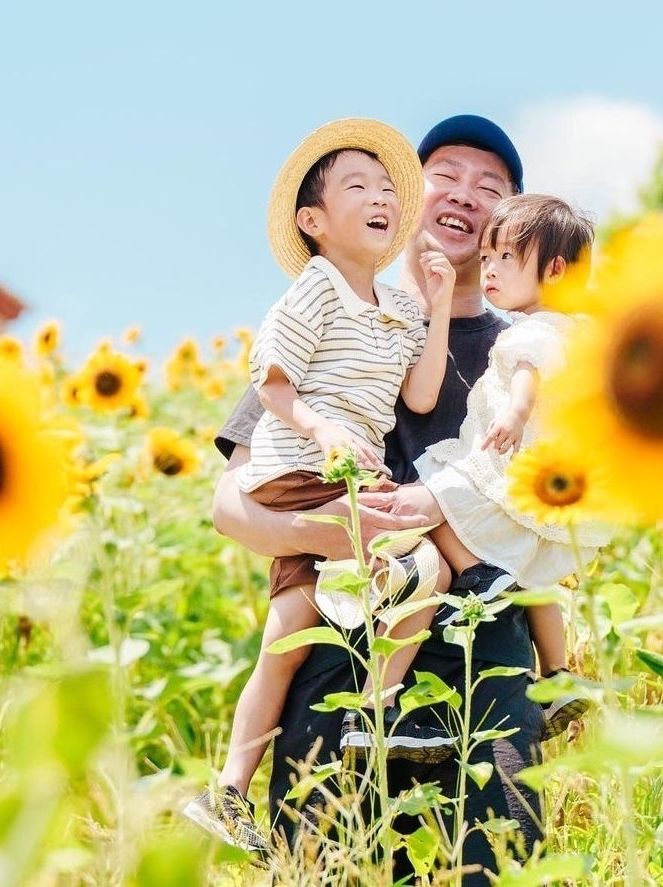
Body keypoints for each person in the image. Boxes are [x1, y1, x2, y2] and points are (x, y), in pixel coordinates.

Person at [209, 115, 546, 878]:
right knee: (329, 867)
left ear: (511, 221)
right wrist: (325, 533)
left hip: (481, 666)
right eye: (445, 175)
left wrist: (442, 506)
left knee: (496, 865)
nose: (464, 193)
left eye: (490, 186)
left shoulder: (527, 352)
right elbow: (229, 505)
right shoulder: (331, 314)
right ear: (404, 197)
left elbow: (557, 498)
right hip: (336, 662)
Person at [184, 117, 456, 853]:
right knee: (423, 563)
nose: (381, 198)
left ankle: (230, 789)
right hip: (300, 472)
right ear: (313, 221)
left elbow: (423, 394)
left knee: (286, 639)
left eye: (387, 188)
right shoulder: (317, 287)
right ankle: (372, 719)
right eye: (357, 186)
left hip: (324, 478)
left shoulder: (397, 309)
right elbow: (271, 382)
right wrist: (325, 429)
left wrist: (436, 306)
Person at [414, 192, 609, 737]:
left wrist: (515, 415)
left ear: (554, 270)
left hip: (504, 467)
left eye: (505, 258)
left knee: (436, 504)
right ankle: (560, 673)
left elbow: (528, 372)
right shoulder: (583, 330)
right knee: (539, 580)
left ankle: (478, 579)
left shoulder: (533, 331)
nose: (489, 268)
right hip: (552, 489)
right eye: (488, 256)